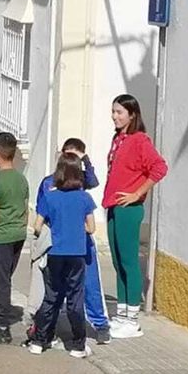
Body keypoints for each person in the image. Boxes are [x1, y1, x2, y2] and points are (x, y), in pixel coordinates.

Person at [27, 137, 112, 346]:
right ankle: (46, 330)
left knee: (90, 285)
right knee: (53, 290)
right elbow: (42, 211)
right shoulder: (49, 183)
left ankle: (100, 324)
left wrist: (87, 161)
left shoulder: (81, 180)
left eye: (75, 155)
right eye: (67, 154)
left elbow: (93, 181)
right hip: (57, 243)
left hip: (82, 244)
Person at [104, 94, 167, 338]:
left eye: (120, 112)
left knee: (129, 261)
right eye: (113, 111)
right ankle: (121, 313)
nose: (115, 116)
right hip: (113, 205)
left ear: (132, 115)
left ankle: (132, 317)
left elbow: (159, 167)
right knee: (118, 261)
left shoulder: (140, 141)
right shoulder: (119, 138)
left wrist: (137, 193)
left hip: (129, 208)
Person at [28, 153, 95, 359]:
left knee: (51, 296)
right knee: (75, 299)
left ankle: (39, 340)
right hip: (76, 253)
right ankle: (77, 345)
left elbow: (37, 226)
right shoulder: (85, 197)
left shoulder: (50, 196)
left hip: (55, 253)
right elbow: (91, 228)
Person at [0, 132, 31, 343]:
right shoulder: (22, 179)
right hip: (18, 234)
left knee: (0, 280)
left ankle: (2, 325)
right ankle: (0, 314)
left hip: (1, 236)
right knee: (6, 276)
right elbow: (25, 208)